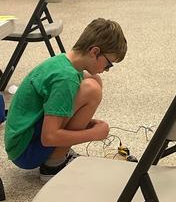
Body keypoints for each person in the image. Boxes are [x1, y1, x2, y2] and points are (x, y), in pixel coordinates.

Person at [5, 18, 127, 181]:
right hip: (25, 151)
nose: (107, 70)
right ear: (95, 52)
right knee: (92, 90)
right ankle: (53, 165)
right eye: (108, 64)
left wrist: (84, 122)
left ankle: (57, 155)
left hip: (21, 139)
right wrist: (92, 134)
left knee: (94, 80)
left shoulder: (64, 62)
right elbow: (49, 137)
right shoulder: (65, 79)